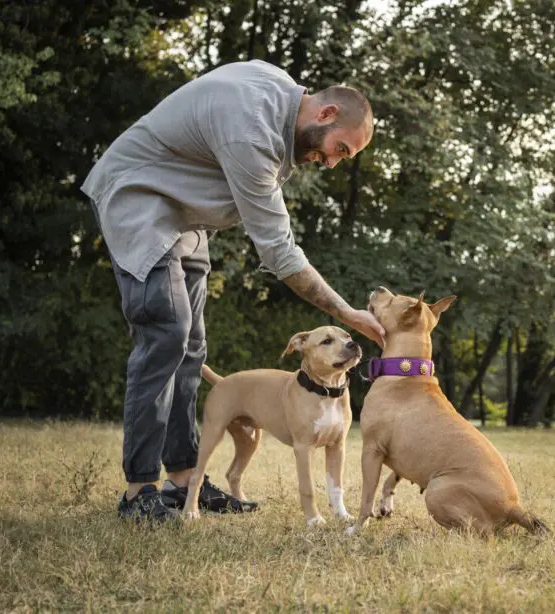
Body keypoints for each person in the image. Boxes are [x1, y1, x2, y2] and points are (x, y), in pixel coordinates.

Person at [81, 59, 385, 522]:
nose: (330, 162)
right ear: (325, 114)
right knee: (167, 335)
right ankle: (138, 492)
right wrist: (347, 314)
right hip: (139, 198)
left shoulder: (279, 90)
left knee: (192, 347)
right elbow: (280, 253)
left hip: (185, 218)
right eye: (339, 149)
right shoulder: (252, 134)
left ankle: (183, 481)